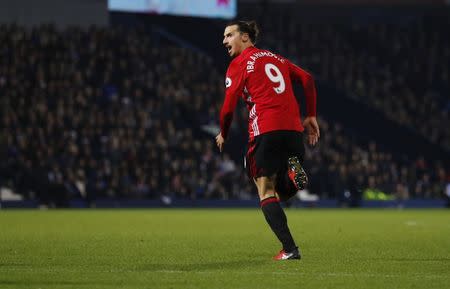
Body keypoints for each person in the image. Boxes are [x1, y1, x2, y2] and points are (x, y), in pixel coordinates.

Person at [215, 20, 319, 260]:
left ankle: (290, 249)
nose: (224, 41)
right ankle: (294, 174)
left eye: (229, 35)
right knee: (280, 192)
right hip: (294, 132)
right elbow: (308, 79)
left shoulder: (238, 64)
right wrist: (311, 114)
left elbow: (228, 108)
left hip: (265, 129)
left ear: (245, 37)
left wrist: (224, 132)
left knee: (265, 192)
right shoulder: (276, 58)